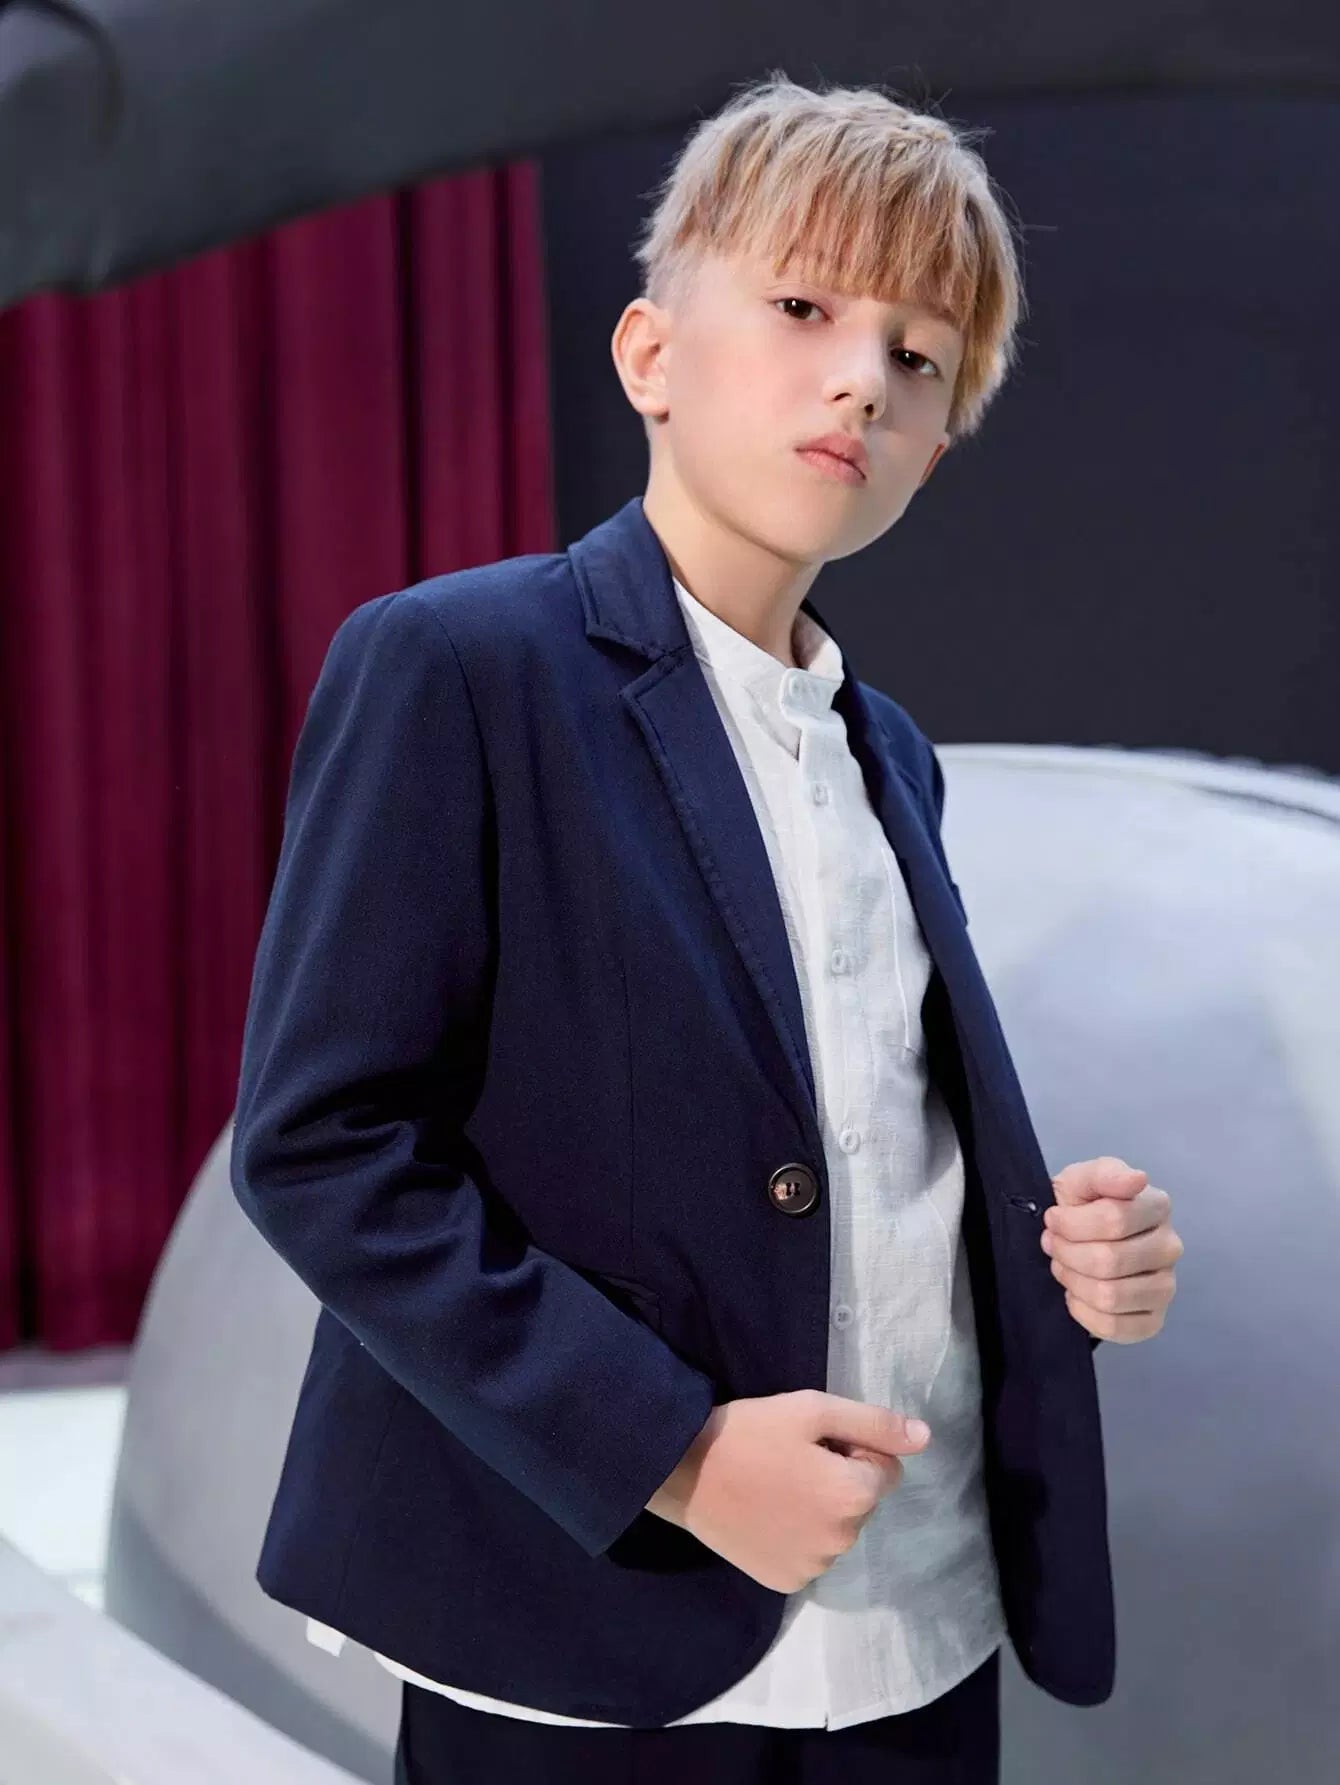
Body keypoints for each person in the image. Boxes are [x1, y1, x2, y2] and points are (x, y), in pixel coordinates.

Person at [230, 69, 1116, 1785]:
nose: (862, 376)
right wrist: (678, 1454)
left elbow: (861, 1142)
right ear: (649, 353)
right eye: (804, 309)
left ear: (937, 445)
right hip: (591, 1633)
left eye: (919, 358)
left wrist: (1060, 1258)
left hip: (921, 1628)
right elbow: (326, 1148)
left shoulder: (892, 752)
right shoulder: (458, 666)